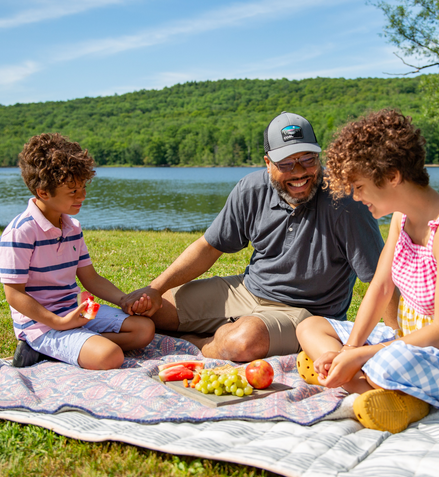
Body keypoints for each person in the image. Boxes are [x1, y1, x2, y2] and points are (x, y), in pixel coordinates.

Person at [295, 109, 439, 434]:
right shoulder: (401, 218)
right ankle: (366, 382)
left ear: (393, 176)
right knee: (310, 326)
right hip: (411, 344)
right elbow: (381, 287)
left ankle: (375, 387)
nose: (356, 197)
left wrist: (363, 355)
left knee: (381, 362)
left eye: (359, 186)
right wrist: (351, 349)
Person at [121, 112, 390, 362]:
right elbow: (208, 247)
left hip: (307, 313)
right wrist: (155, 289)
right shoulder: (251, 189)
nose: (299, 172)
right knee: (151, 311)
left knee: (241, 342)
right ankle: (219, 334)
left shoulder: (345, 202)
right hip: (247, 290)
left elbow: (383, 280)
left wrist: (400, 340)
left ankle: (197, 345)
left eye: (308, 159)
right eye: (286, 163)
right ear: (267, 163)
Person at [0, 133, 156, 370]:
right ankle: (43, 347)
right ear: (43, 193)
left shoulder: (72, 227)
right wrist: (59, 323)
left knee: (145, 330)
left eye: (82, 187)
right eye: (72, 192)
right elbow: (14, 294)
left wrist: (124, 300)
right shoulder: (20, 233)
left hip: (76, 310)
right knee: (110, 356)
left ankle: (73, 346)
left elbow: (90, 278)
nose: (82, 196)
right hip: (42, 324)